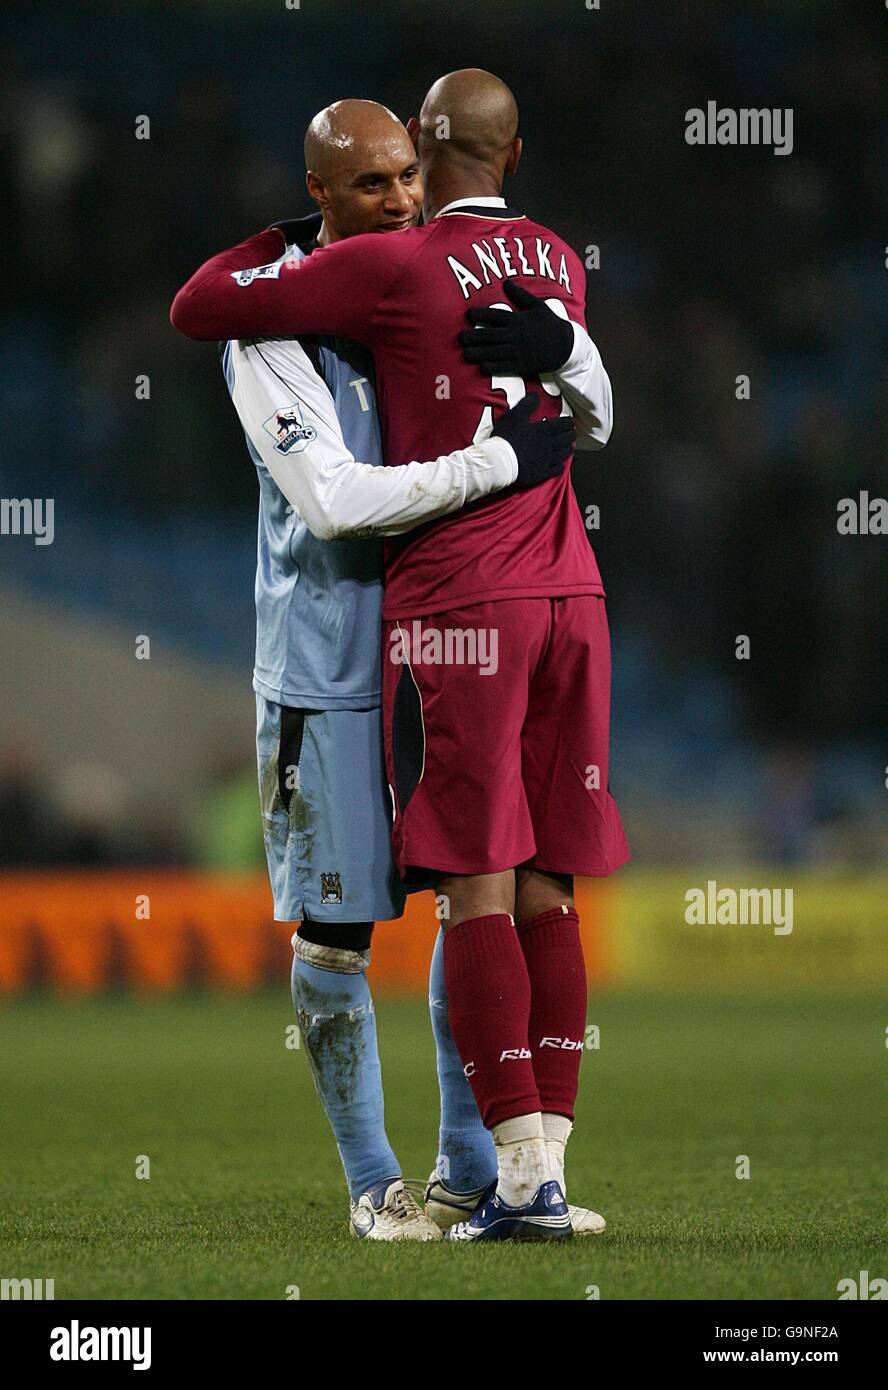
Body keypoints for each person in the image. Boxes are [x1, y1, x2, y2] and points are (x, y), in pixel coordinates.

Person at [172, 68, 628, 1241]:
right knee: (341, 927)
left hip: (443, 639)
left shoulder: (427, 281)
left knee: (462, 888)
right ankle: (375, 1180)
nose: (398, 198)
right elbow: (328, 500)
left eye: (411, 177)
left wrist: (569, 353)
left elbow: (583, 400)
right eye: (371, 184)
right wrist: (501, 467)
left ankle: (472, 1170)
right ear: (320, 192)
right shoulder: (276, 327)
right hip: (331, 661)